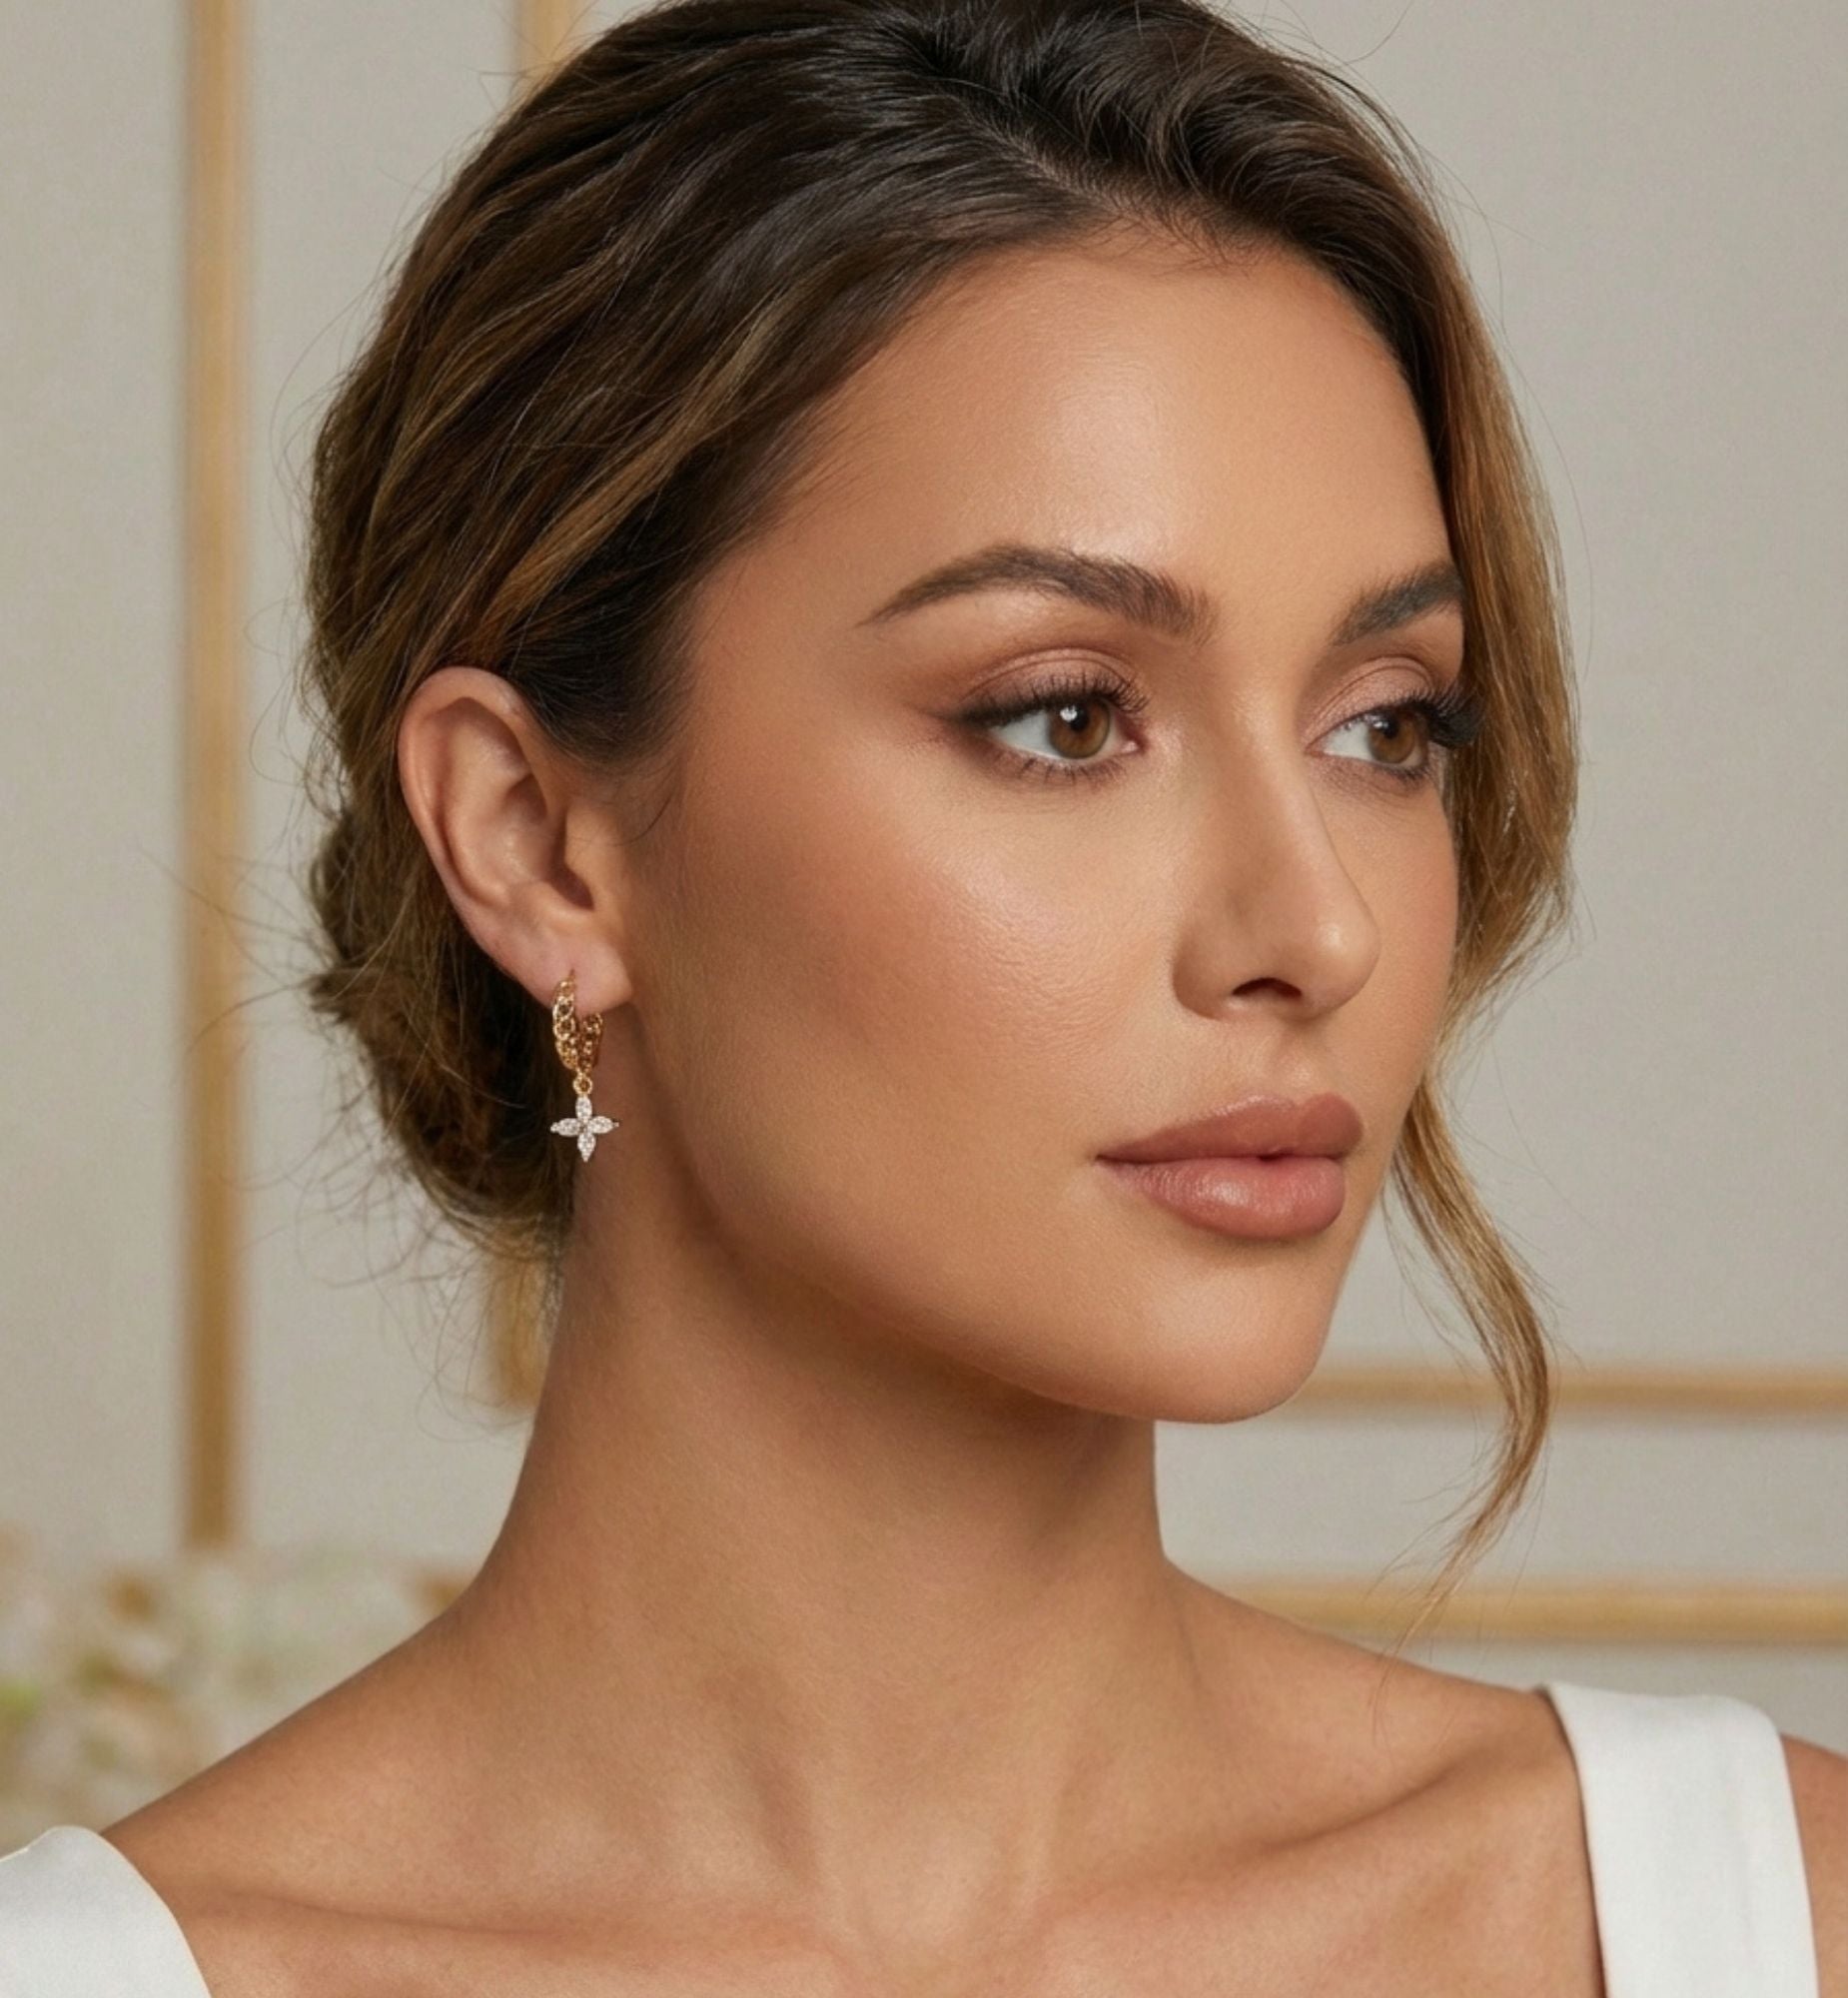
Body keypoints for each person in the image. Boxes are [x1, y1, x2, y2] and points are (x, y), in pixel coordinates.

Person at [3, 0, 1840, 1990]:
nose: (1313, 927)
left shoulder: (1755, 1916)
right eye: (1065, 717)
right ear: (535, 839)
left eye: (1385, 726)